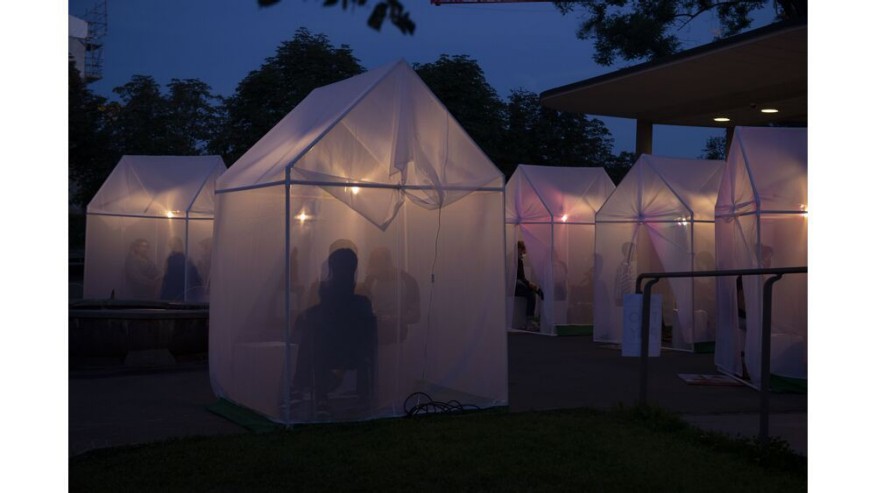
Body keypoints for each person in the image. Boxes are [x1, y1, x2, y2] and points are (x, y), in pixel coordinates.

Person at [293, 247, 377, 417]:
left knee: (311, 336)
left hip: (327, 355)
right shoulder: (362, 303)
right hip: (355, 355)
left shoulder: (324, 302)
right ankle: (364, 397)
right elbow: (371, 335)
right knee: (314, 334)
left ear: (331, 269)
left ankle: (306, 391)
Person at [362, 246, 420, 345]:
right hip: (373, 338)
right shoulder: (370, 280)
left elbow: (415, 315)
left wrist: (396, 319)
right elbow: (363, 310)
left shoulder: (407, 281)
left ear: (387, 263)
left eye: (378, 263)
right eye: (374, 263)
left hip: (397, 338)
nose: (376, 268)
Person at [159, 236, 203, 302]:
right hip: (175, 291)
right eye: (170, 245)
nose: (171, 247)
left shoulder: (179, 259)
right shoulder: (178, 258)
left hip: (176, 291)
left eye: (172, 244)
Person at [515, 240, 543, 331]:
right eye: (523, 252)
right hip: (515, 286)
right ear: (519, 249)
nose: (524, 254)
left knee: (532, 290)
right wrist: (530, 284)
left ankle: (531, 319)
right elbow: (521, 278)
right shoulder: (517, 260)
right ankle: (529, 321)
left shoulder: (514, 259)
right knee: (531, 294)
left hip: (516, 285)